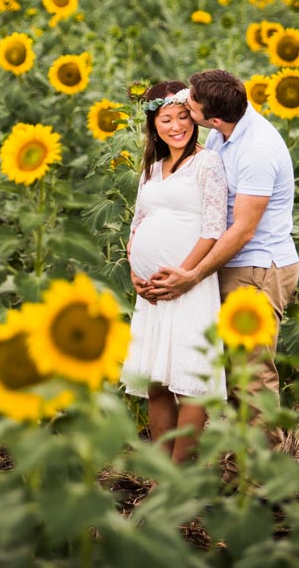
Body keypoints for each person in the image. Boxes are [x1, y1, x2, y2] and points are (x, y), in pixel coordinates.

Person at [145, 69, 299, 445]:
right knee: (232, 376)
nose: (185, 102)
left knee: (251, 376)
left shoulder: (257, 151)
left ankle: (259, 488)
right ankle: (239, 477)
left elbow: (243, 229)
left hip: (258, 269)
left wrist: (193, 274)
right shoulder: (223, 132)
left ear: (211, 118)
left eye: (191, 103)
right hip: (230, 265)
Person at [122, 80, 229, 463]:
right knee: (156, 382)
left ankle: (181, 473)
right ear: (154, 124)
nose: (176, 126)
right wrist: (136, 271)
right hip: (150, 292)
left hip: (189, 286)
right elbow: (137, 224)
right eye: (166, 119)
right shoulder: (151, 170)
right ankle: (161, 474)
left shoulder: (207, 163)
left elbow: (214, 229)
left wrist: (182, 275)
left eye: (183, 117)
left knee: (191, 380)